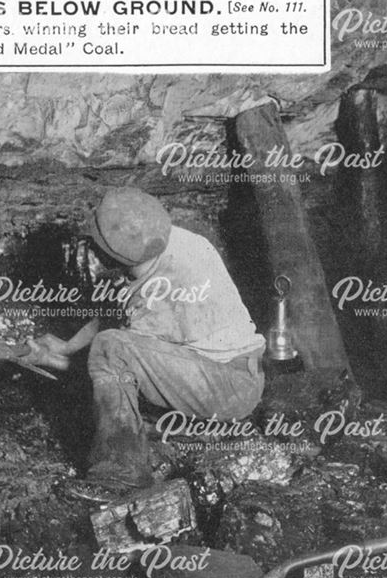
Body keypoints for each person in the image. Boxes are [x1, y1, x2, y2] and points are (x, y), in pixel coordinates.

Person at [22, 186, 266, 493]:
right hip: (229, 369)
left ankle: (122, 471)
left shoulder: (162, 293)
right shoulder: (176, 241)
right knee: (114, 345)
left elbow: (117, 352)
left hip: (229, 386)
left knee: (112, 348)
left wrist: (52, 360)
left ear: (108, 253)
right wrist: (68, 345)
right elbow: (118, 314)